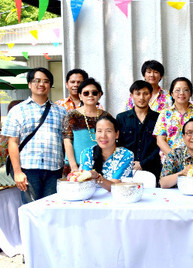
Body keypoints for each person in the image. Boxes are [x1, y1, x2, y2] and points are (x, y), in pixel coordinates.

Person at [2, 68, 66, 203]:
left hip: (54, 169)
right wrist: (17, 172)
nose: (41, 84)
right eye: (36, 81)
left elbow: (65, 141)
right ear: (29, 84)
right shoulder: (17, 110)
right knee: (31, 210)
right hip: (28, 169)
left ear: (50, 85)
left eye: (45, 81)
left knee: (51, 208)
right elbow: (12, 142)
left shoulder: (61, 112)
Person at [116, 80, 162, 182]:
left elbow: (160, 146)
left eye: (145, 94)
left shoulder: (159, 118)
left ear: (150, 95)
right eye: (138, 94)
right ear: (132, 96)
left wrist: (142, 163)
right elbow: (118, 144)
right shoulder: (121, 118)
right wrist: (128, 162)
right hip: (126, 169)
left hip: (152, 169)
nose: (141, 98)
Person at [62, 78, 110, 173]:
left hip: (101, 165)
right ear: (80, 95)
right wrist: (74, 167)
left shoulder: (106, 116)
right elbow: (67, 142)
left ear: (99, 95)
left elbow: (110, 141)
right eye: (86, 93)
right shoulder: (71, 116)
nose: (90, 95)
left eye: (94, 93)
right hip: (76, 166)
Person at [80, 116, 134, 191]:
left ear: (117, 134)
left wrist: (97, 177)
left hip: (118, 199)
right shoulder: (87, 153)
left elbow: (116, 187)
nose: (103, 136)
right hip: (92, 198)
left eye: (108, 131)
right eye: (99, 131)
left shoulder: (126, 155)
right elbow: (85, 183)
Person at [153, 77, 193, 156]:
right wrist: (174, 158)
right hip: (170, 160)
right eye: (177, 90)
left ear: (190, 93)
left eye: (186, 90)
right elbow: (160, 140)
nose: (181, 93)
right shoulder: (165, 114)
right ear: (172, 94)